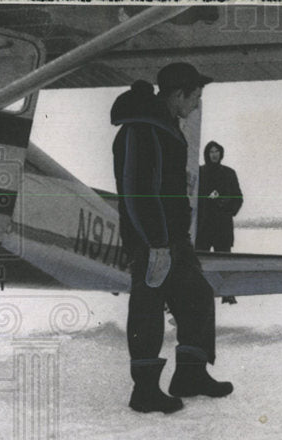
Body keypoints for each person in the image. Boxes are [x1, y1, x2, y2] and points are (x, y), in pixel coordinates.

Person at [111, 62, 233, 413]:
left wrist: (173, 238)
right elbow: (136, 190)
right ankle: (145, 391)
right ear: (178, 93)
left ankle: (190, 375)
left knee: (197, 295)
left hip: (173, 239)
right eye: (194, 97)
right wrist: (156, 243)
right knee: (148, 308)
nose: (195, 105)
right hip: (153, 242)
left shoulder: (165, 127)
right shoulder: (142, 130)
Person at [196, 140, 244, 304]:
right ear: (206, 154)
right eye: (211, 152)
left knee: (224, 259)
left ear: (221, 154)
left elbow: (238, 198)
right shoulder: (199, 173)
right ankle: (199, 293)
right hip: (203, 225)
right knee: (200, 260)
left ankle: (227, 293)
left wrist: (223, 202)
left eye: (217, 151)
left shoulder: (229, 173)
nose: (214, 154)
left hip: (222, 226)